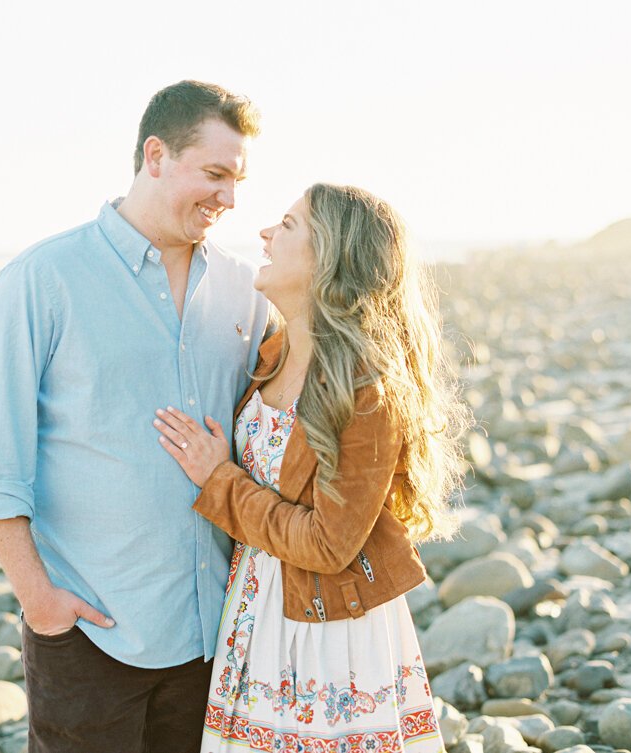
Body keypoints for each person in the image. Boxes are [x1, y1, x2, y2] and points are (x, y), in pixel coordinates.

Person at [0, 80, 270, 753]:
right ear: (156, 155)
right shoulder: (44, 279)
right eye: (214, 173)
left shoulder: (247, 290)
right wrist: (40, 599)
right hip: (89, 634)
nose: (230, 198)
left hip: (213, 641)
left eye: (237, 180)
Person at [153, 183, 469, 752]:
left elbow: (329, 544)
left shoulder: (366, 391)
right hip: (256, 615)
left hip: (326, 636)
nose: (266, 234)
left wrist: (218, 478)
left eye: (289, 225)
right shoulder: (270, 357)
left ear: (332, 256)